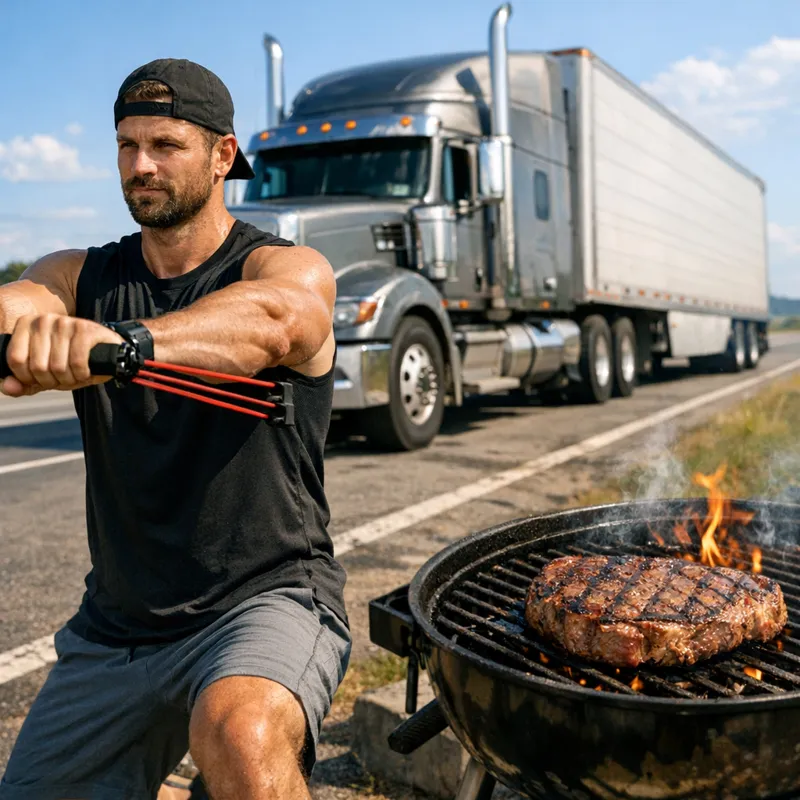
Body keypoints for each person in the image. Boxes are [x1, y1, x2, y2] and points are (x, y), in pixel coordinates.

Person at [0, 58, 350, 800]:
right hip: (116, 628)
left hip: (265, 603)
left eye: (165, 144)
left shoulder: (284, 266)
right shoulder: (78, 275)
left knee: (240, 736)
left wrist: (125, 346)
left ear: (223, 156)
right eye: (127, 146)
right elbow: (22, 300)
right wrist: (24, 327)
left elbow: (280, 321)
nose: (140, 165)